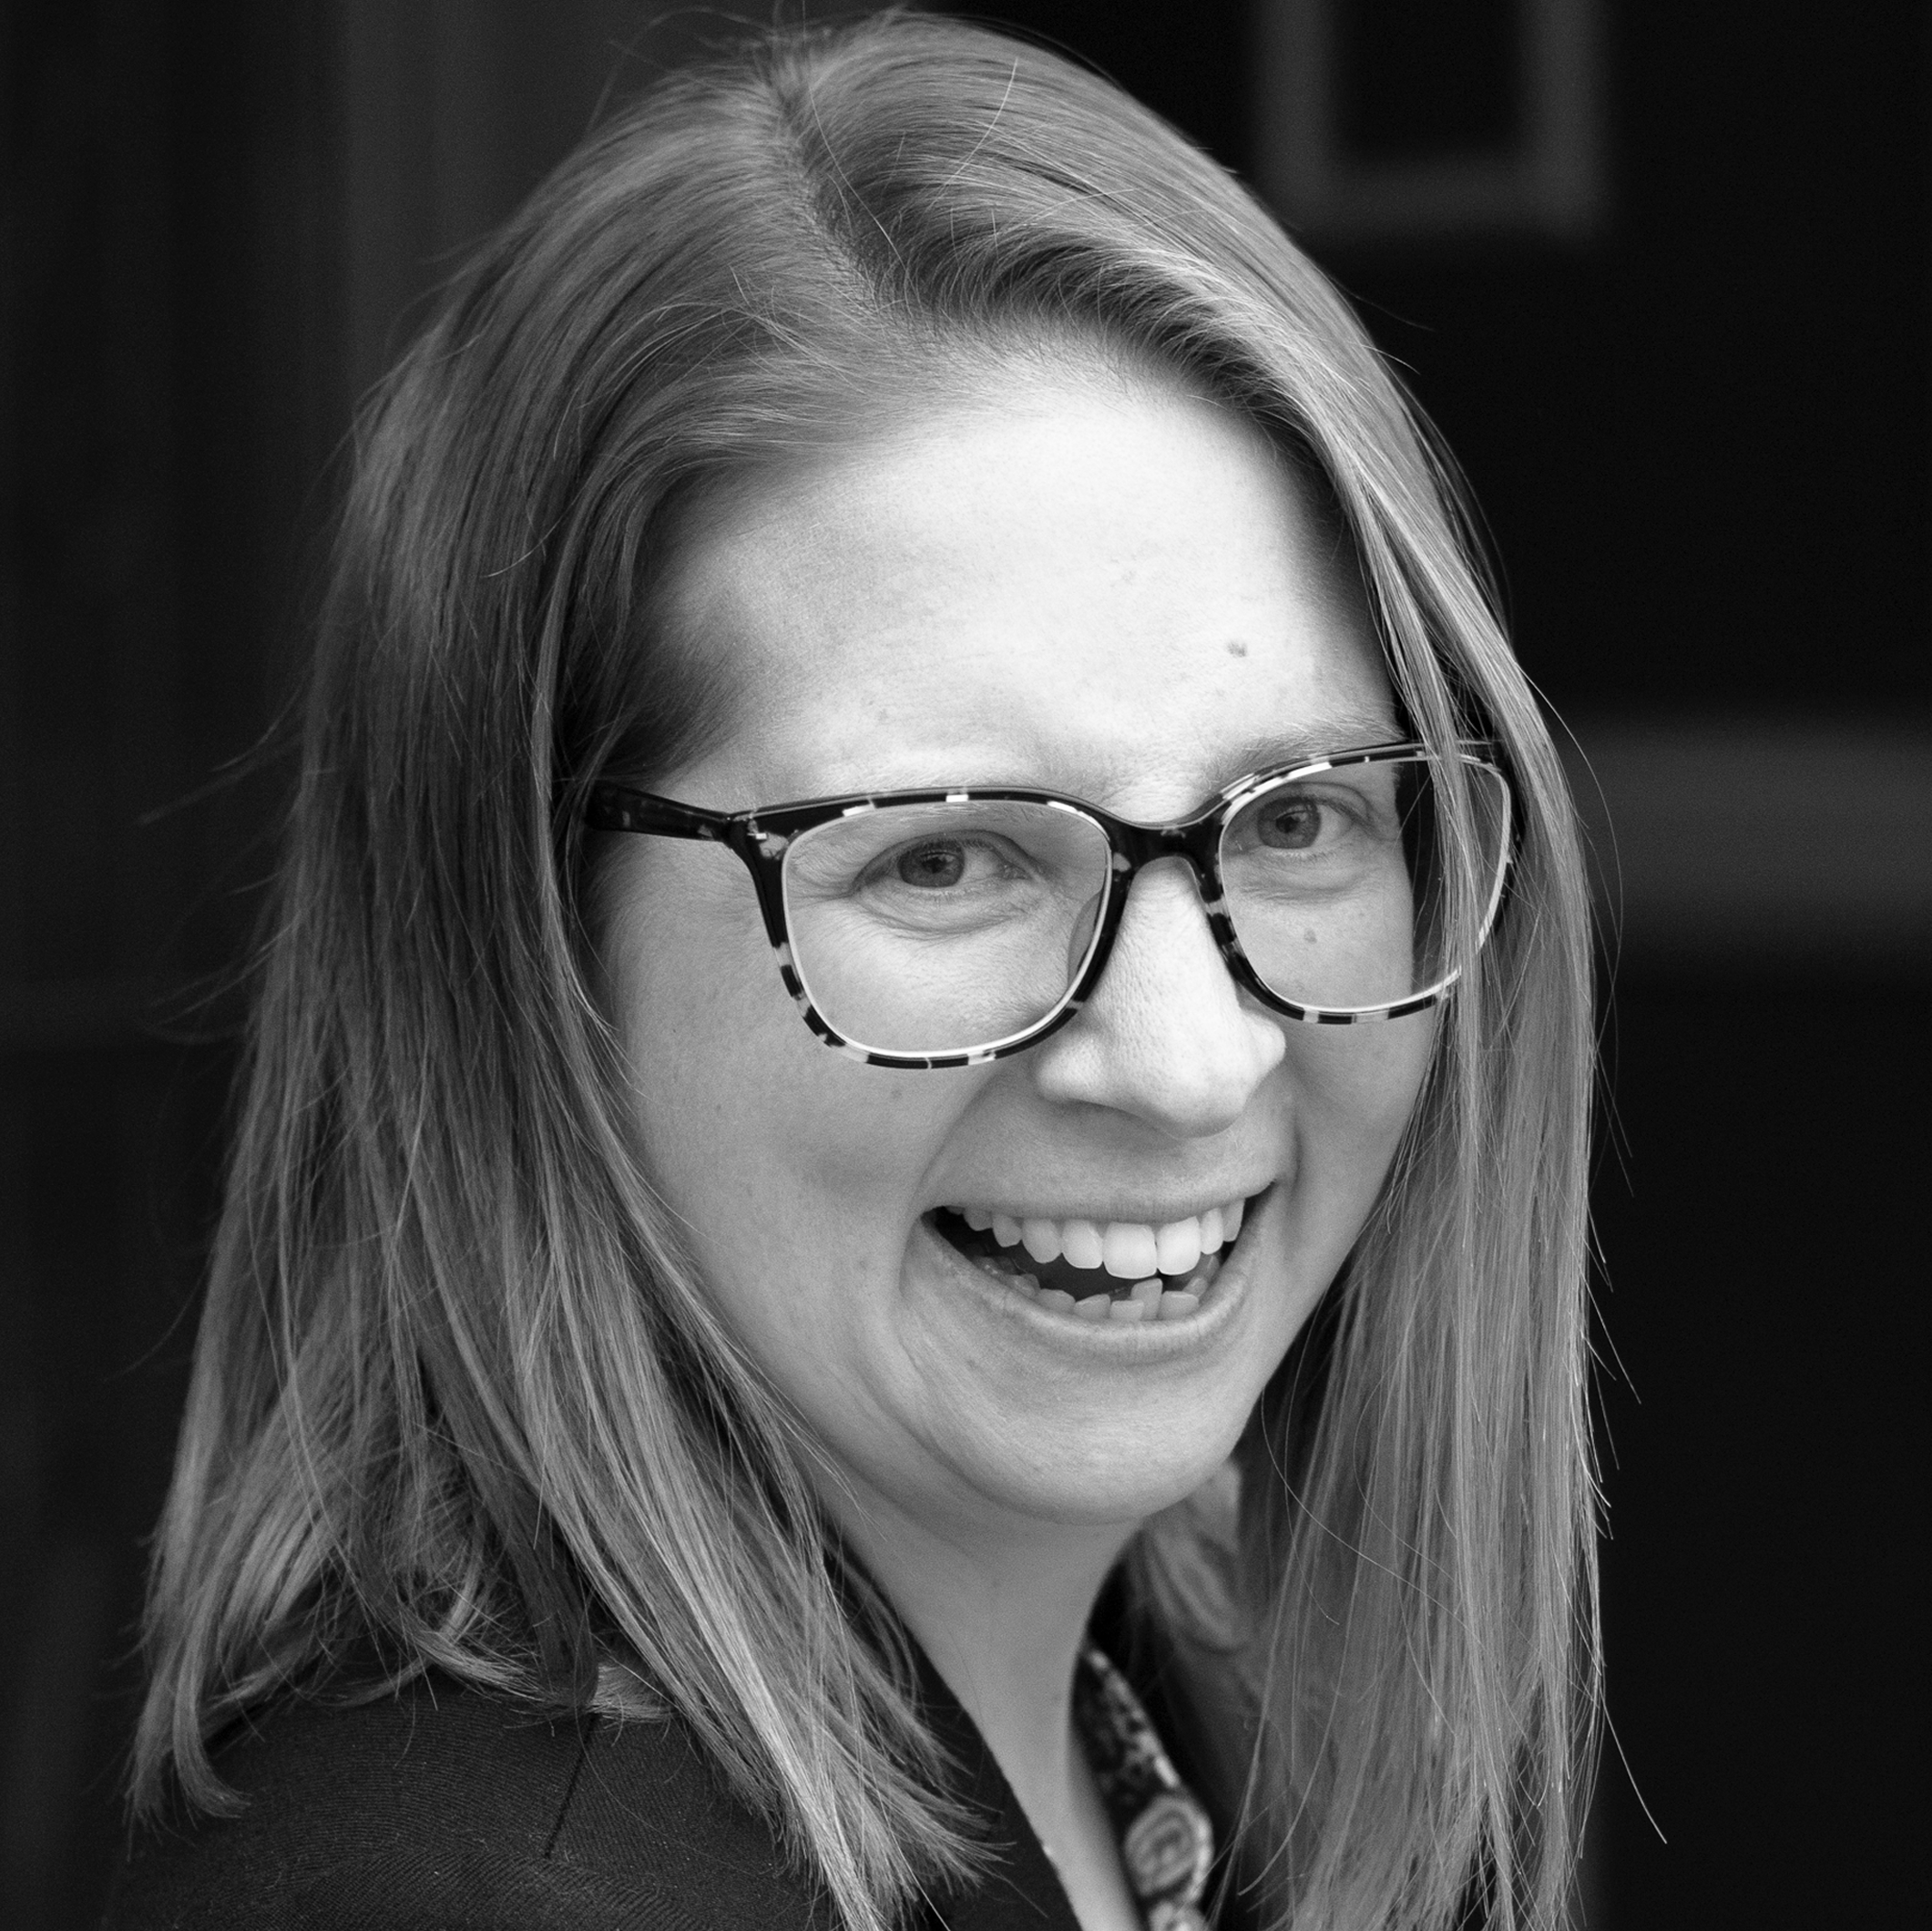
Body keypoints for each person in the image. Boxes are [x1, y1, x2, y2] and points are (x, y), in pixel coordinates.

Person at [108, 15, 1599, 1930]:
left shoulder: (1168, 1719)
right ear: (527, 951)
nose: (1188, 1058)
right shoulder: (481, 1890)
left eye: (1295, 819)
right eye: (944, 856)